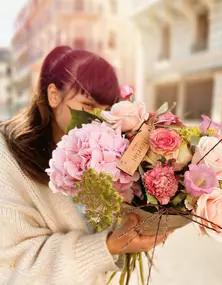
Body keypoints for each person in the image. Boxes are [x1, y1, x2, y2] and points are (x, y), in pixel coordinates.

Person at [0, 46, 164, 285]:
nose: (99, 118)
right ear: (54, 95)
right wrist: (105, 247)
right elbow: (12, 264)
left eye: (106, 109)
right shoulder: (7, 157)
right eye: (88, 105)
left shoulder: (107, 147)